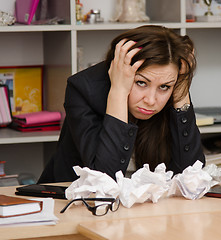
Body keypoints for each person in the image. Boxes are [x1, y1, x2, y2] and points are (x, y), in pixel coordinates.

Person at [38, 25, 205, 183]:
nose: (151, 100)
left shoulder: (171, 84)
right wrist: (118, 92)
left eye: (164, 87)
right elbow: (104, 180)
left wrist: (181, 93)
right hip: (74, 203)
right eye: (141, 83)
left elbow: (192, 176)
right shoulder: (83, 89)